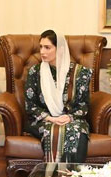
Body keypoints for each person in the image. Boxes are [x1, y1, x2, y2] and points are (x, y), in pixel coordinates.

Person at [24, 30, 91, 163]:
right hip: (43, 120)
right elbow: (30, 105)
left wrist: (69, 117)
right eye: (41, 47)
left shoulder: (79, 73)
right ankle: (53, 174)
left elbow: (83, 105)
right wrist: (51, 119)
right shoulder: (35, 72)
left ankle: (73, 173)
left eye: (47, 47)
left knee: (77, 131)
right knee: (53, 130)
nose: (42, 51)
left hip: (71, 119)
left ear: (60, 49)